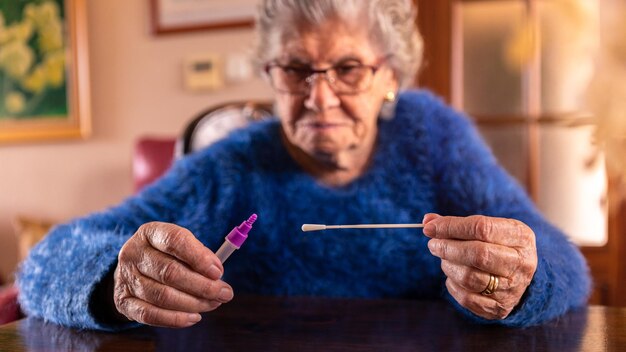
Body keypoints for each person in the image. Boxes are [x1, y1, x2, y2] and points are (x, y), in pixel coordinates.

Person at [17, 0, 590, 331]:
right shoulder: (233, 165)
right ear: (269, 74)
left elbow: (561, 260)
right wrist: (118, 278)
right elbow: (45, 264)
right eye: (295, 69)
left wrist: (524, 274)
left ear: (390, 76)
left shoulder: (433, 136)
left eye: (348, 69)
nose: (319, 98)